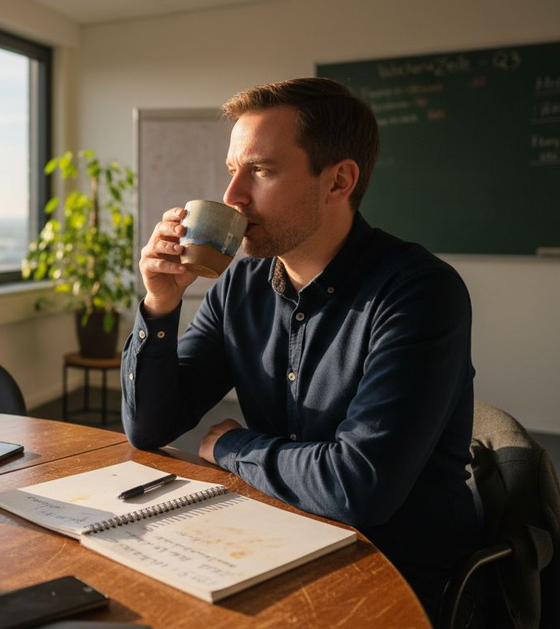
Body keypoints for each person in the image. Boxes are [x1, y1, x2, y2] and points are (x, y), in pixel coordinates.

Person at [122, 77, 480, 621]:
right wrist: (160, 304)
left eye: (260, 171)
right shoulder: (239, 286)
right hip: (276, 540)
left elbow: (358, 488)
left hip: (398, 573)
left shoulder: (420, 292)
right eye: (232, 172)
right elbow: (150, 426)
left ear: (338, 181)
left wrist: (231, 446)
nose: (233, 197)